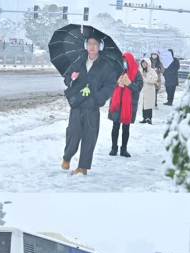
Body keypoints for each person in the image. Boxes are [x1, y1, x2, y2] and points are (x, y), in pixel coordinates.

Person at [61, 36, 118, 176]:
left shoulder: (106, 65)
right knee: (73, 133)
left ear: (100, 47)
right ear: (86, 46)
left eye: (95, 44)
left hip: (92, 107)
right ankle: (67, 157)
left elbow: (110, 86)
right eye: (90, 44)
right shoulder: (79, 61)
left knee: (89, 136)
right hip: (77, 105)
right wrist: (71, 78)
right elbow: (67, 77)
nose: (92, 47)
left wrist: (97, 98)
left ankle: (83, 167)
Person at [107, 52, 142, 158]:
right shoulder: (117, 71)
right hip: (117, 104)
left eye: (126, 61)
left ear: (130, 61)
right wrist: (117, 83)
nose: (124, 63)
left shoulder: (136, 73)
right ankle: (114, 148)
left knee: (126, 128)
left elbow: (138, 88)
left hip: (129, 105)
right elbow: (109, 85)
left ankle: (124, 149)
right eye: (123, 61)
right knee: (115, 126)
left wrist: (129, 84)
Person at [140, 59, 158, 125]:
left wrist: (145, 78)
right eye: (143, 63)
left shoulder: (152, 71)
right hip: (143, 90)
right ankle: (144, 118)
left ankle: (149, 118)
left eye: (145, 63)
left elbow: (154, 79)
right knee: (144, 104)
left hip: (150, 90)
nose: (144, 64)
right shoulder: (141, 71)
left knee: (149, 104)